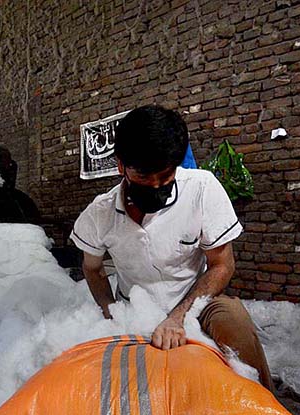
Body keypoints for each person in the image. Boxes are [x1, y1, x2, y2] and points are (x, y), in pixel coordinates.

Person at [70, 105, 274, 390]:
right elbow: (92, 270)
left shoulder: (202, 189)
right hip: (137, 308)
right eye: (144, 178)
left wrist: (178, 317)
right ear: (121, 165)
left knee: (235, 322)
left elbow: (222, 265)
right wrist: (112, 313)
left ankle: (267, 409)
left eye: (165, 177)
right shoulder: (99, 214)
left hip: (198, 303)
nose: (155, 186)